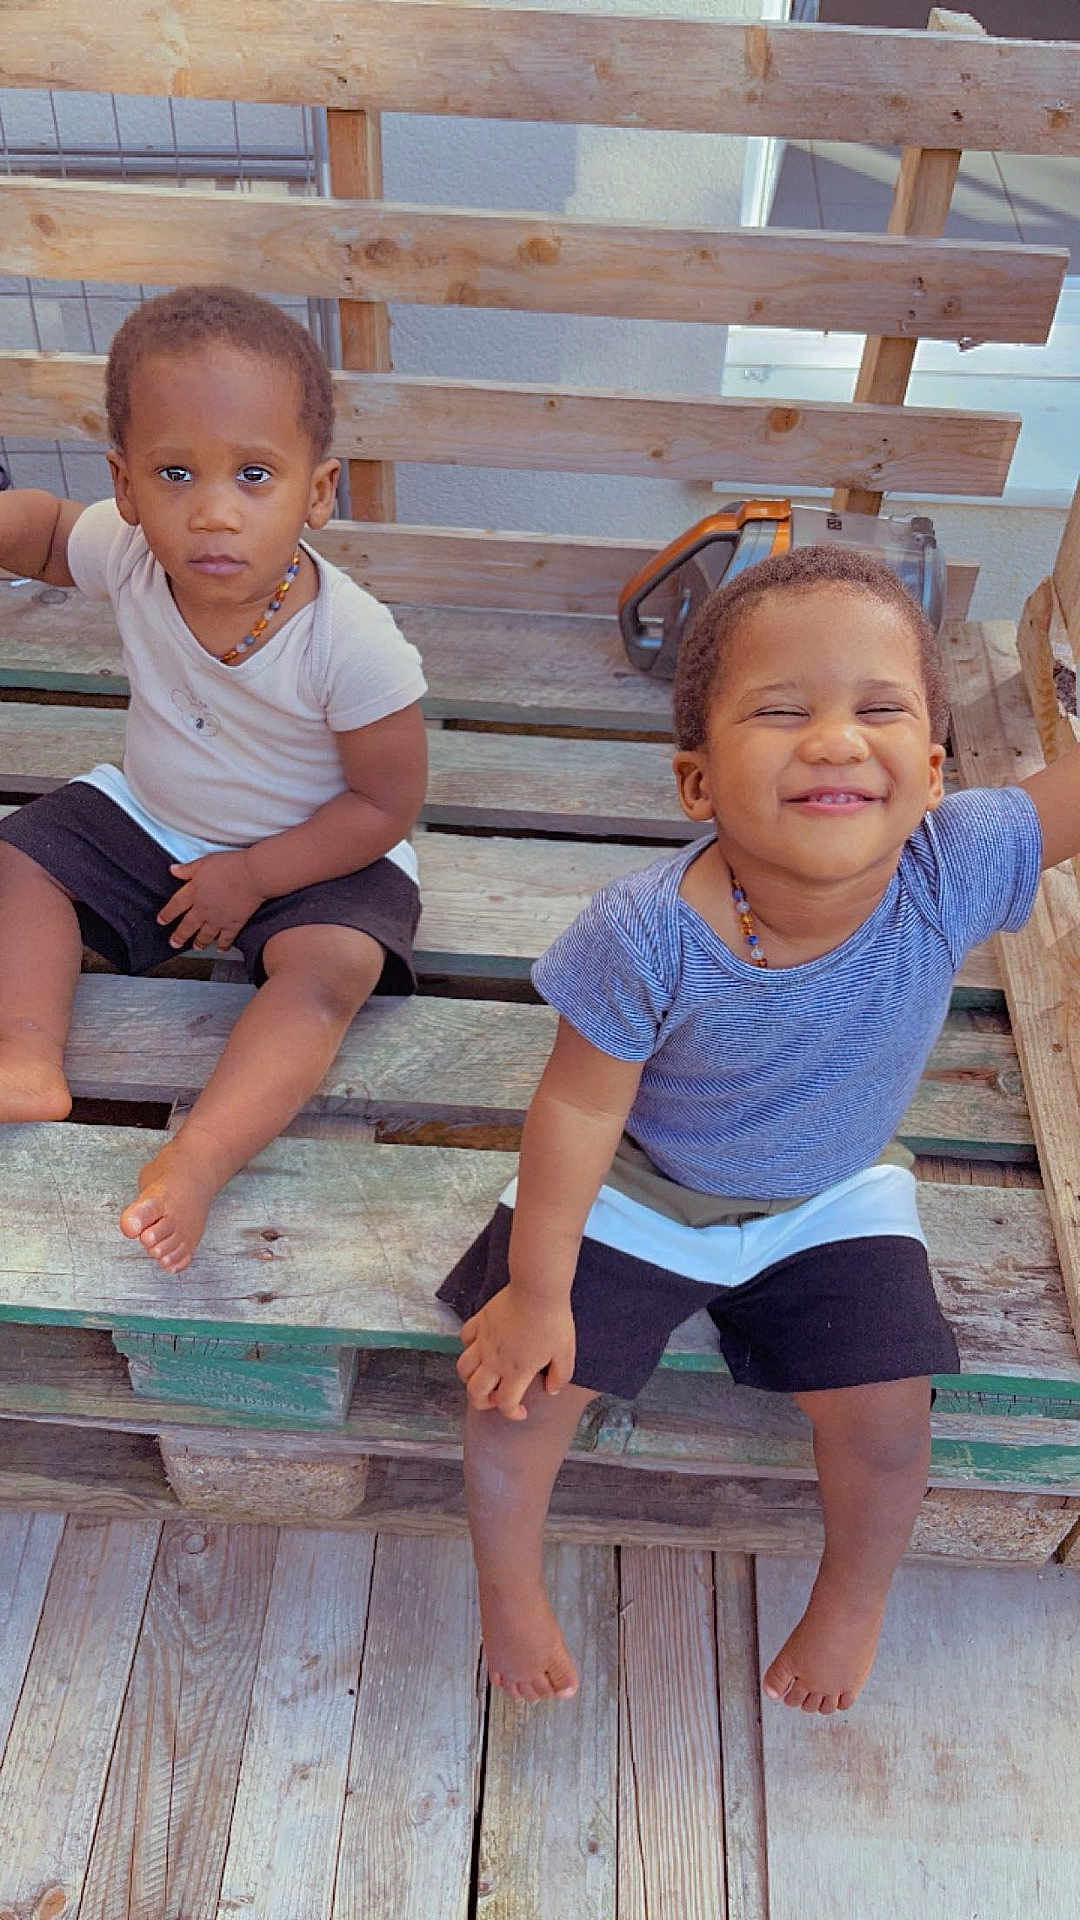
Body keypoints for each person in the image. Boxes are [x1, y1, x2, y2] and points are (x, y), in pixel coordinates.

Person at [439, 543, 1077, 1716]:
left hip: (832, 1189)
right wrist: (537, 1290)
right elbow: (580, 1105)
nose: (836, 739)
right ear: (697, 783)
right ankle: (506, 1583)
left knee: (889, 1422)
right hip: (651, 1180)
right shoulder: (644, 932)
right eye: (782, 712)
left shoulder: (954, 864)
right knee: (513, 1399)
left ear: (933, 769)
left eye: (879, 710)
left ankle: (854, 1594)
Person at [0, 285, 427, 1272]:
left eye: (254, 474)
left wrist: (260, 873)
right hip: (158, 816)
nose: (213, 511)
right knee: (22, 861)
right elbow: (42, 534)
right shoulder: (132, 553)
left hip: (326, 845)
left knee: (331, 973)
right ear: (129, 484)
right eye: (177, 472)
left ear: (317, 492)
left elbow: (384, 804)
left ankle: (198, 1158)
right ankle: (27, 1052)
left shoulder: (353, 643)